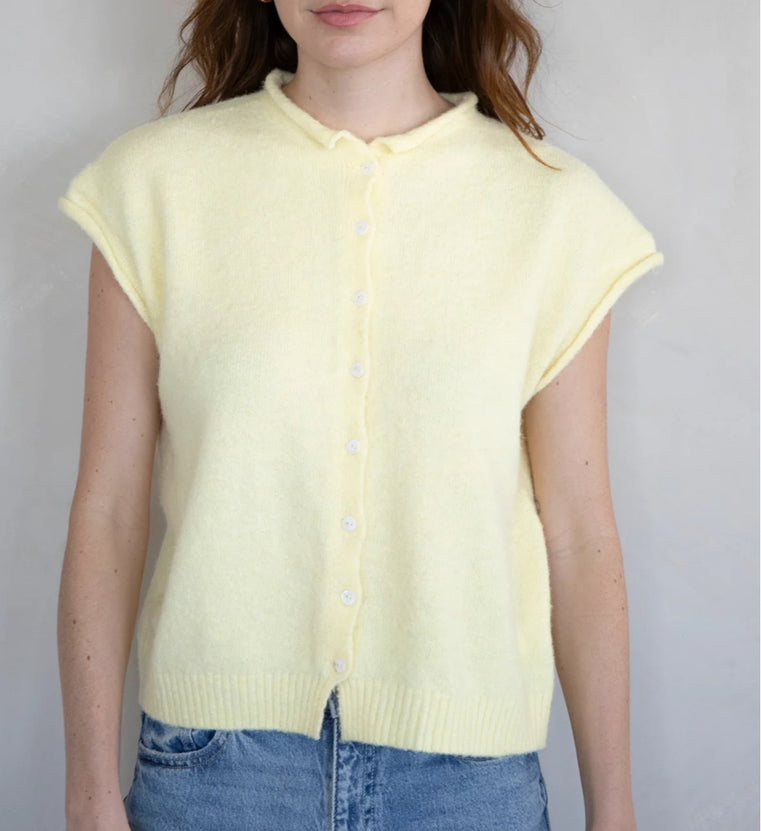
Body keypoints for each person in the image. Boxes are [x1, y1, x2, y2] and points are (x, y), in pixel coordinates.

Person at [57, 1, 664, 830]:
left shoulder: (552, 211)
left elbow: (578, 534)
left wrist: (614, 808)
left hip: (466, 787)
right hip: (215, 775)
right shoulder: (154, 186)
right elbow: (109, 508)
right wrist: (88, 789)